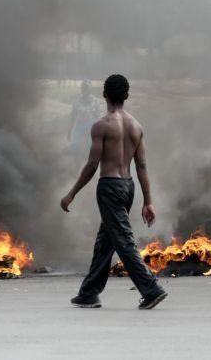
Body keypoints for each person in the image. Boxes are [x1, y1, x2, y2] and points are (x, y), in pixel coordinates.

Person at [60, 74, 167, 310]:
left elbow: (91, 165)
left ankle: (151, 290)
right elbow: (141, 166)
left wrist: (72, 193)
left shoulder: (101, 126)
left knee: (123, 241)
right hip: (128, 186)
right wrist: (147, 201)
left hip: (109, 186)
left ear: (104, 95)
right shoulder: (136, 126)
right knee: (105, 241)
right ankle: (89, 293)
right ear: (126, 96)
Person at [67, 80, 103, 153]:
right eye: (83, 88)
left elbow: (99, 118)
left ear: (90, 89)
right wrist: (69, 131)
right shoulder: (77, 102)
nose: (85, 90)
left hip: (92, 126)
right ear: (81, 89)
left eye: (87, 88)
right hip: (80, 126)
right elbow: (73, 117)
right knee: (73, 148)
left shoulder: (96, 101)